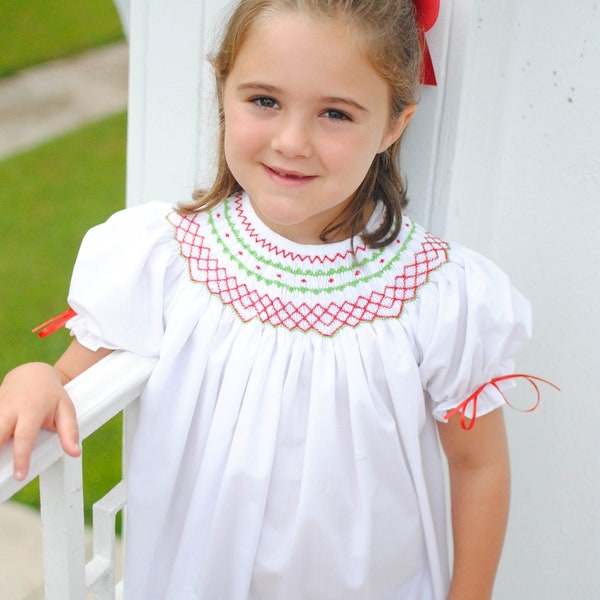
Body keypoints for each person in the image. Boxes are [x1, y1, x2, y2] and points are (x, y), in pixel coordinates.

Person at [0, 0, 542, 598]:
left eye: (336, 113)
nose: (292, 141)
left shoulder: (436, 292)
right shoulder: (168, 256)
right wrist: (35, 378)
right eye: (264, 101)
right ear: (223, 90)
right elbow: (72, 377)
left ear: (393, 124)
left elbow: (477, 464)